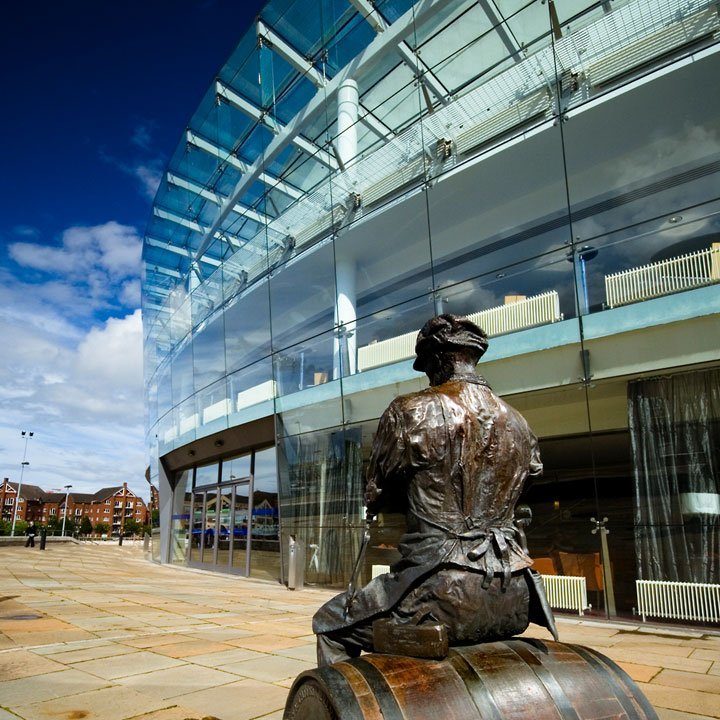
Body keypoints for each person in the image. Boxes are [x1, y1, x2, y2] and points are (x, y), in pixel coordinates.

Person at [313, 314, 557, 666]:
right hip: (514, 596)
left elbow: (376, 493)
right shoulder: (518, 422)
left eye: (425, 365)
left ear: (437, 358)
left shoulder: (408, 411)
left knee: (330, 622)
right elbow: (526, 482)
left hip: (438, 594)